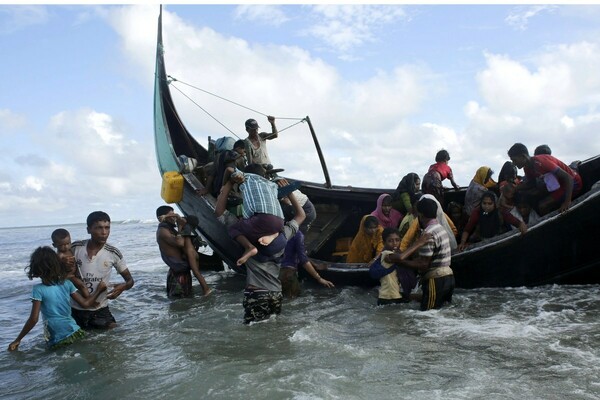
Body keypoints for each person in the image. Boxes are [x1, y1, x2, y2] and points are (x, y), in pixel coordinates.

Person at [216, 173, 306, 324]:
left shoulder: (243, 231)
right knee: (273, 333)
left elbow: (219, 212)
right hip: (276, 293)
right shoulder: (284, 233)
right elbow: (301, 215)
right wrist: (289, 191)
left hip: (257, 292)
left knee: (252, 335)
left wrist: (229, 184)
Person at [8, 247, 107, 351]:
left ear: (36, 268)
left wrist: (18, 339)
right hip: (75, 331)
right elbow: (86, 304)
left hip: (59, 338)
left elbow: (33, 319)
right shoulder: (66, 284)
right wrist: (98, 291)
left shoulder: (38, 290)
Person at [70, 211, 134, 329]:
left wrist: (123, 287)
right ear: (88, 230)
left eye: (107, 228)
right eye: (99, 228)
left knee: (115, 334)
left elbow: (130, 280)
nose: (104, 233)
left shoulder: (112, 253)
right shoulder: (75, 248)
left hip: (99, 310)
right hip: (73, 309)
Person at [390, 197, 455, 311]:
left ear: (421, 215)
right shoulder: (440, 228)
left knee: (428, 316)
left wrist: (401, 262)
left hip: (436, 280)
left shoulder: (428, 234)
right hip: (449, 278)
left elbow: (423, 264)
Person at [226, 164, 291, 266]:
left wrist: (226, 183)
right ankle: (274, 234)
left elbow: (229, 168)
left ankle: (249, 247)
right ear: (264, 175)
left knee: (233, 229)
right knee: (263, 225)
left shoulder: (246, 176)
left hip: (262, 219)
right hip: (280, 222)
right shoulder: (271, 184)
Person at [508, 143, 582, 215]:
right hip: (558, 185)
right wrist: (515, 188)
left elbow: (568, 178)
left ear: (523, 156)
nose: (514, 163)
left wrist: (567, 202)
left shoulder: (541, 162)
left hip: (573, 183)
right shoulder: (527, 168)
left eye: (514, 160)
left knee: (543, 206)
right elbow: (531, 183)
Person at [156, 206, 212, 297]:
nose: (174, 218)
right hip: (178, 272)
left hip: (180, 271)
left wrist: (178, 223)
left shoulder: (170, 229)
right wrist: (180, 227)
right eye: (171, 215)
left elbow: (183, 224)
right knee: (181, 301)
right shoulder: (163, 231)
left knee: (183, 301)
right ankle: (206, 291)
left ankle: (206, 291)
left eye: (174, 215)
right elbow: (180, 243)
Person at [370, 228, 431, 305]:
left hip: (396, 295)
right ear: (383, 242)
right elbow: (401, 258)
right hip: (388, 298)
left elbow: (406, 259)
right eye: (390, 241)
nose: (394, 243)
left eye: (397, 240)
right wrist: (419, 243)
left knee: (424, 298)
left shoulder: (396, 253)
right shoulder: (386, 254)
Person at [458, 191, 527, 251]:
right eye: (484, 203)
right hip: (481, 239)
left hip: (498, 238)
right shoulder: (477, 212)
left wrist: (521, 225)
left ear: (495, 204)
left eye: (490, 203)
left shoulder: (500, 211)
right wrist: (462, 242)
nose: (486, 206)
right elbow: (467, 229)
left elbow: (516, 222)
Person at [279, 230, 334, 298]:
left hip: (272, 273)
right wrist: (319, 278)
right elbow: (303, 260)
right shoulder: (297, 234)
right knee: (292, 301)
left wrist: (315, 265)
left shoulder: (276, 229)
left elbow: (301, 255)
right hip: (287, 274)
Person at [51, 228, 87, 296]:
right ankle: (89, 299)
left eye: (68, 243)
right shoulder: (60, 255)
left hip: (74, 274)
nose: (66, 247)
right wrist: (61, 261)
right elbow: (55, 266)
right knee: (82, 286)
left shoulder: (70, 250)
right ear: (54, 245)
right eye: (61, 245)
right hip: (68, 276)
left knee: (78, 288)